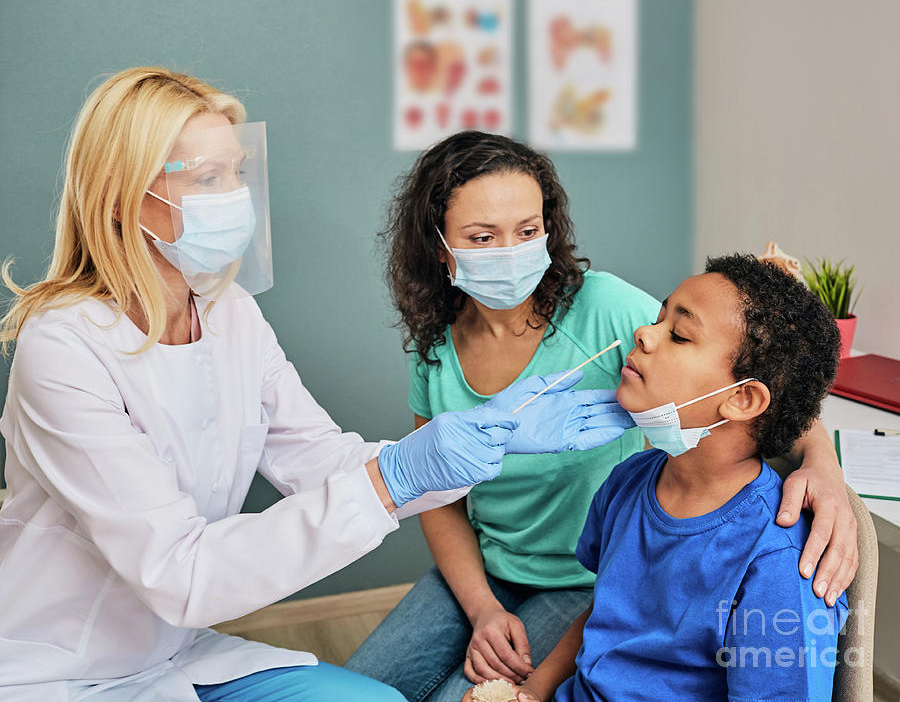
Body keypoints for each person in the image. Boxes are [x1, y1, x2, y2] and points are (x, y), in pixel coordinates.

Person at [0, 68, 629, 701]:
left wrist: (468, 445)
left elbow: (318, 458)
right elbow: (179, 572)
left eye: (238, 173)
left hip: (176, 652)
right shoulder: (64, 348)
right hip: (57, 667)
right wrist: (402, 474)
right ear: (121, 195)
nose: (236, 197)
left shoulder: (228, 314)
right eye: (208, 179)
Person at [344, 132, 858, 702]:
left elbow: (766, 388)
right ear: (440, 247)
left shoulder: (608, 310)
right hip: (496, 568)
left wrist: (824, 466)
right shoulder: (629, 485)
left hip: (577, 579)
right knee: (355, 690)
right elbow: (437, 496)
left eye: (529, 229)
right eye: (482, 237)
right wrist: (489, 617)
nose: (646, 333)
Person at [465, 254, 849, 702]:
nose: (643, 334)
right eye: (657, 318)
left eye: (679, 335)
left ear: (742, 399)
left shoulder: (778, 563)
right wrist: (531, 692)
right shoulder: (628, 482)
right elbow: (603, 617)